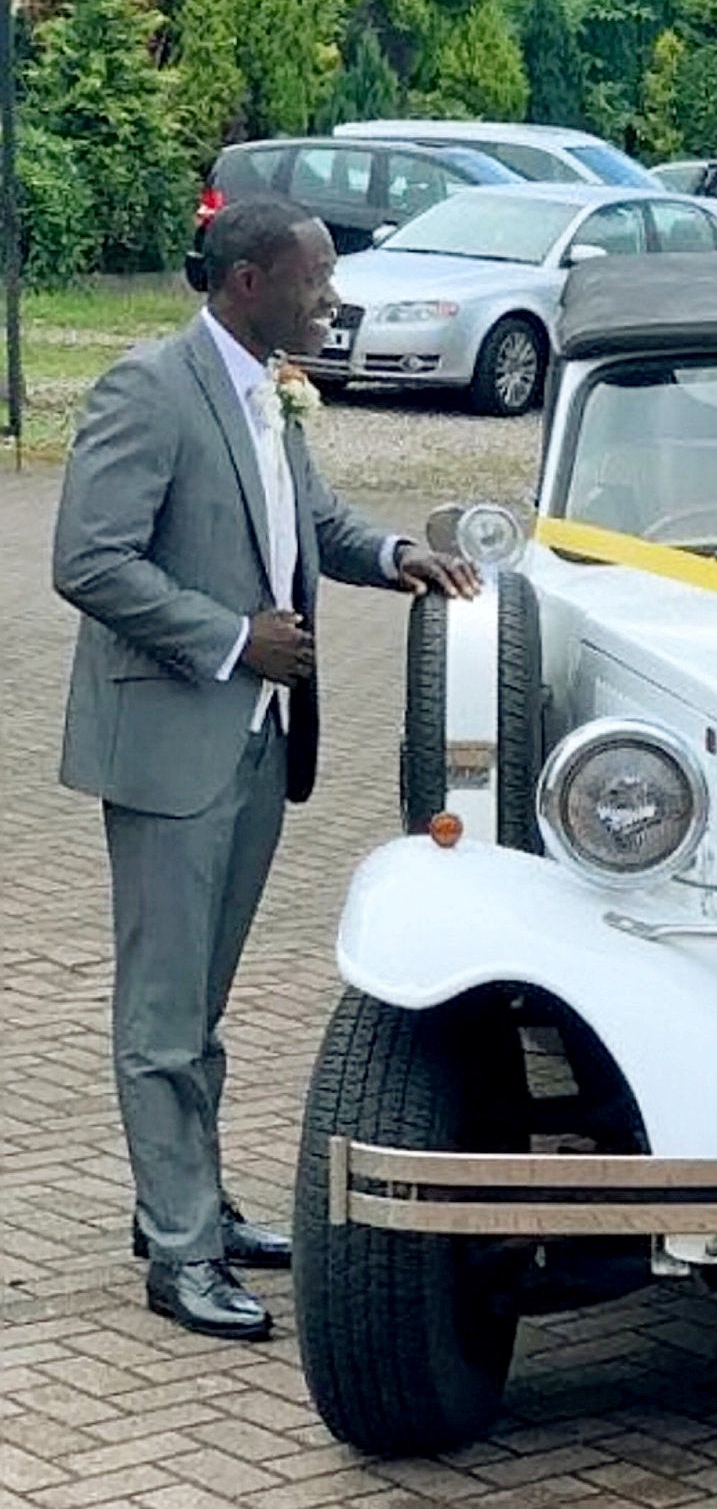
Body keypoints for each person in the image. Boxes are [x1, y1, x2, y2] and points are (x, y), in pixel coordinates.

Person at [52, 195, 480, 1341]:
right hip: (171, 740)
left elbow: (310, 522)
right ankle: (180, 1250)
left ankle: (193, 1205)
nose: (332, 297)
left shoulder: (275, 389)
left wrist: (398, 556)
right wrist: (238, 637)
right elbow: (86, 559)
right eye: (317, 276)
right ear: (248, 281)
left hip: (256, 746)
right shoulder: (149, 388)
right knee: (160, 1013)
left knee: (203, 1004)